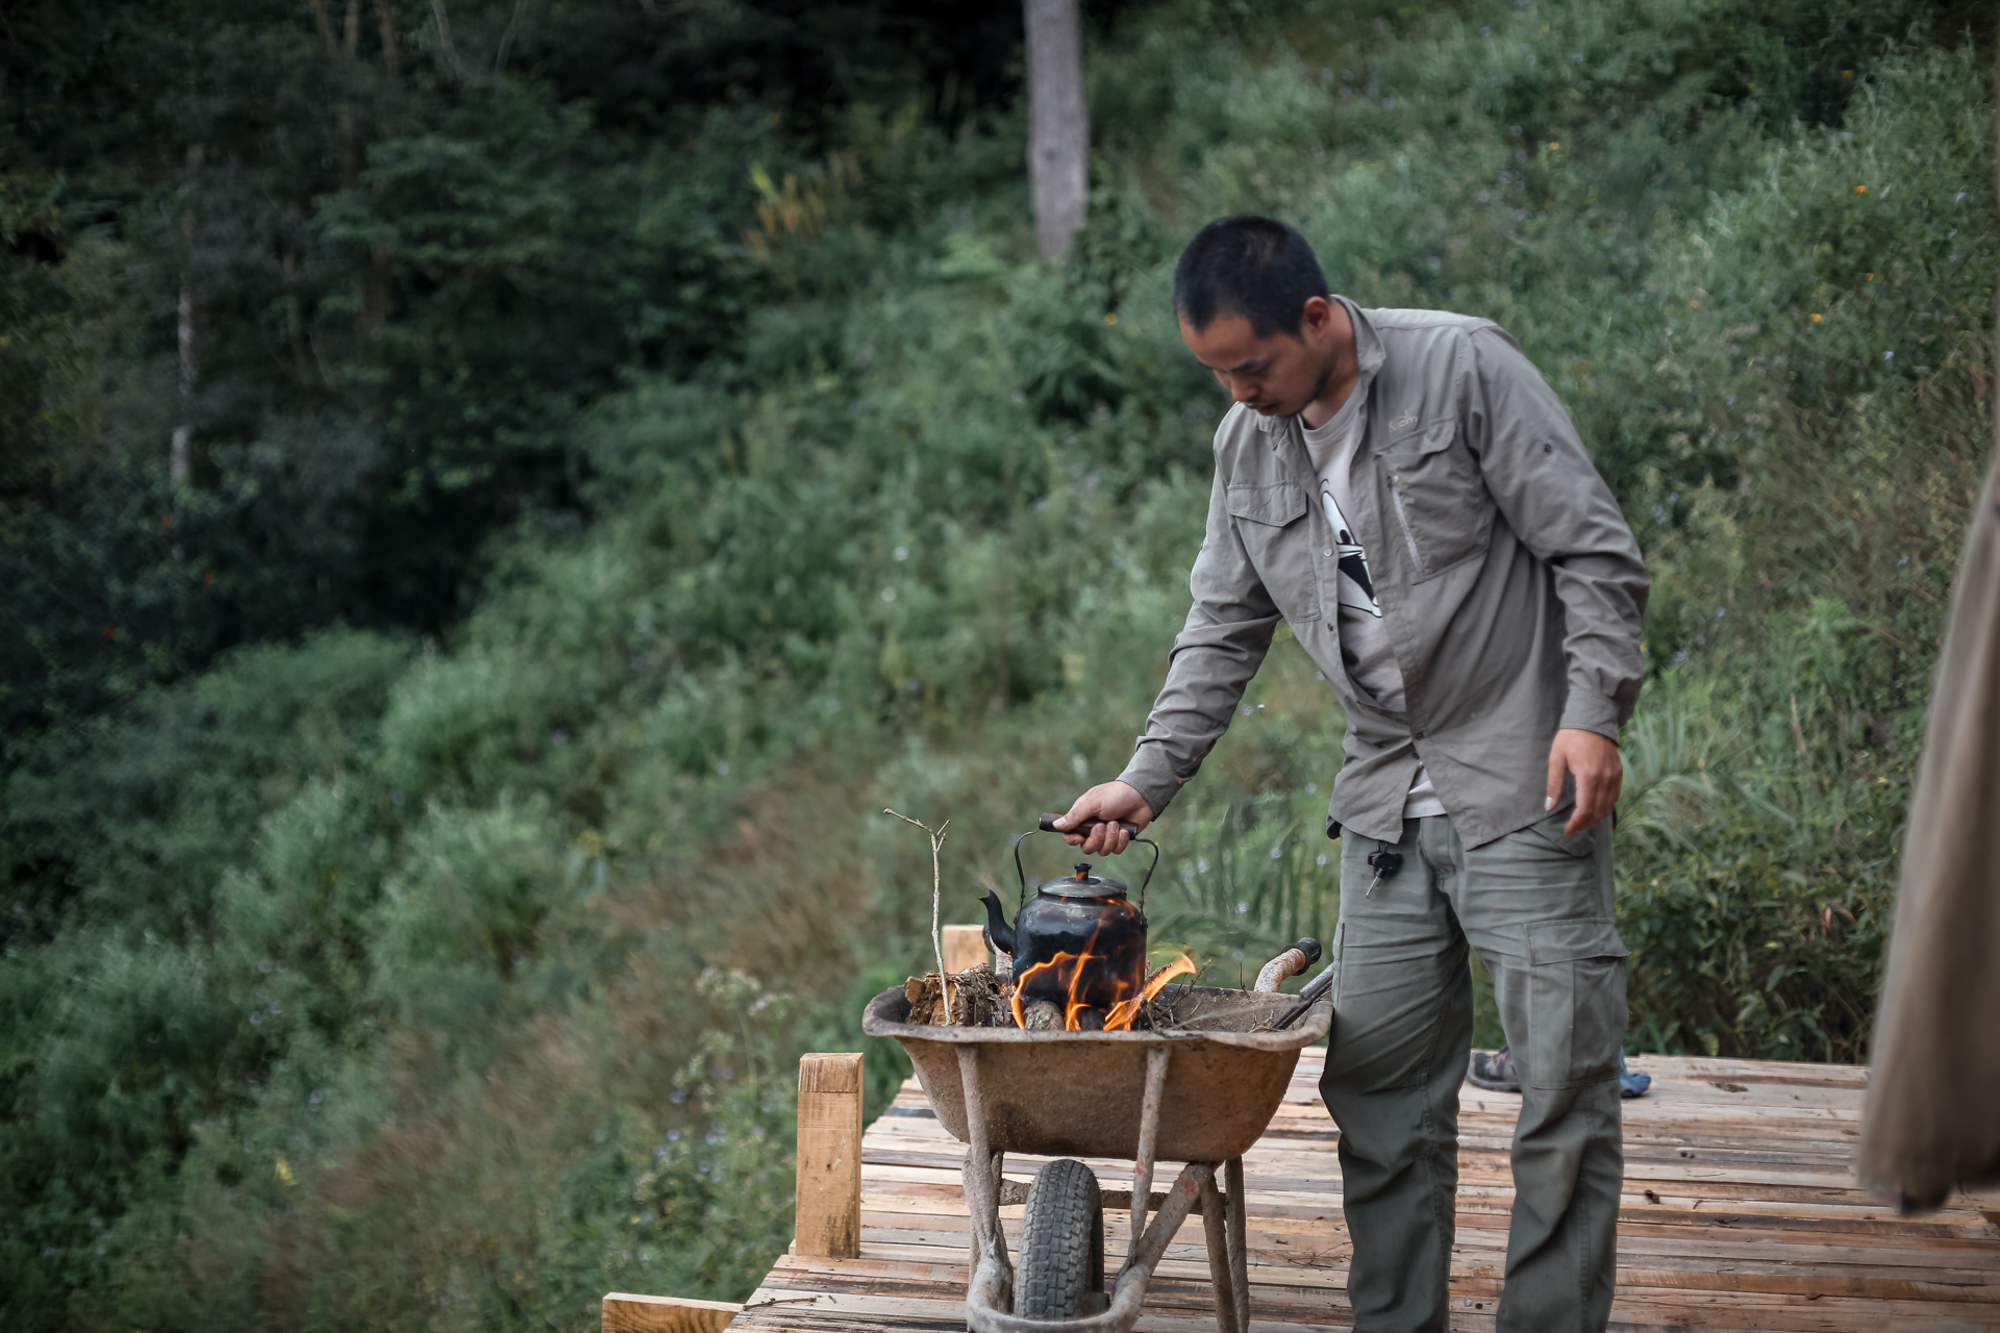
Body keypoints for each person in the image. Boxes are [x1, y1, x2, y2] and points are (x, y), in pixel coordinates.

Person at [1054, 216, 1649, 1333]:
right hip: (1382, 799)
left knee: (1562, 1088)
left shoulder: (1461, 367)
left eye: (1251, 364)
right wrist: (1145, 780)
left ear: (1317, 319)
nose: (1237, 392)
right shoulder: (1247, 446)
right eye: (1216, 373)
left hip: (1524, 778)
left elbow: (1592, 551)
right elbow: (1220, 628)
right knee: (1377, 1100)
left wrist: (1590, 714)